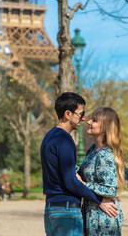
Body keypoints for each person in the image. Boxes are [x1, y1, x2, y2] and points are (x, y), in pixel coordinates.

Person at [40, 92, 118, 236]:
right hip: (66, 212)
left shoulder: (48, 136)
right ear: (68, 114)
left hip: (51, 209)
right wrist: (99, 200)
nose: (83, 119)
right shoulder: (65, 139)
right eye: (81, 114)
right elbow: (71, 182)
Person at [78, 107, 124, 235]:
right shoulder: (92, 150)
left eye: (94, 120)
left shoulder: (105, 155)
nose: (88, 122)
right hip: (92, 214)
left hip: (103, 220)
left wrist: (84, 184)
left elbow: (111, 190)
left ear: (104, 128)